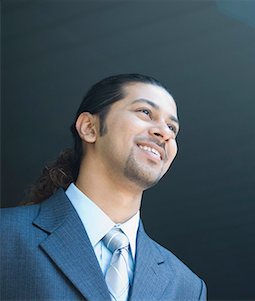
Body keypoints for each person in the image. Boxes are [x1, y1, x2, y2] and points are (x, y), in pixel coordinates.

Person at [0, 74, 207, 300]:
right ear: (89, 127)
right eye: (145, 112)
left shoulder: (187, 287)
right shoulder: (7, 235)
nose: (165, 133)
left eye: (172, 127)